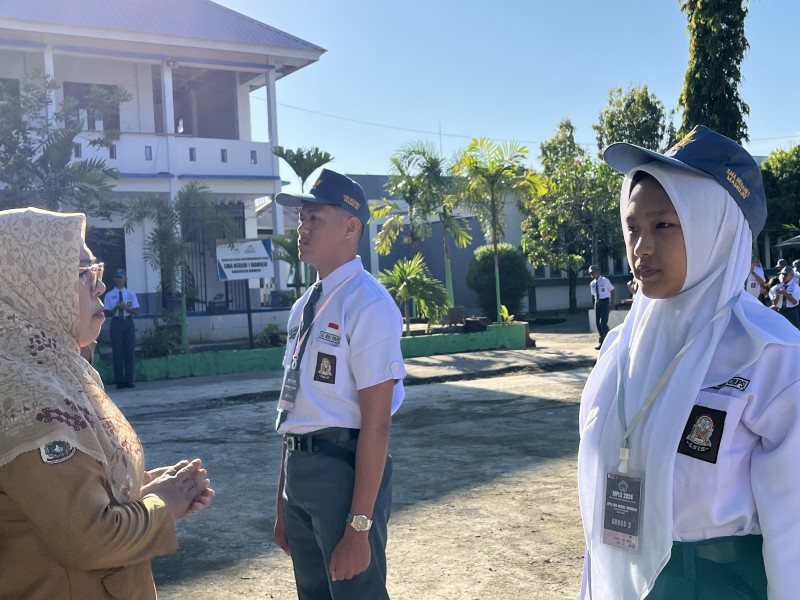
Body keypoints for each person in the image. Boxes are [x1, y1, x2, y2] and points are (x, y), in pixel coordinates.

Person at [578, 125, 800, 599]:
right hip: (626, 578)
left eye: (663, 225)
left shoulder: (769, 354)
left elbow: (794, 520)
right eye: (633, 227)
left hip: (721, 583)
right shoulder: (621, 349)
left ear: (713, 227)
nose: (641, 247)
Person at [0, 207, 214, 599]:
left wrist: (145, 486)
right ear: (32, 284)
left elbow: (64, 497)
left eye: (96, 273)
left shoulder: (59, 371)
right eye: (83, 274)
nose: (98, 287)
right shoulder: (25, 395)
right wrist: (161, 504)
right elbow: (87, 537)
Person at [272, 169, 406, 600]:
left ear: (351, 227)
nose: (301, 227)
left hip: (343, 472)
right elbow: (294, 404)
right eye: (300, 218)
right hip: (301, 473)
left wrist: (359, 527)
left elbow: (378, 425)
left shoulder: (368, 304)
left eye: (315, 218)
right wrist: (283, 499)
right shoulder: (303, 307)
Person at [103, 267, 140, 389]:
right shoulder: (109, 295)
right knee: (117, 352)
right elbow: (107, 313)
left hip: (128, 323)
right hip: (116, 323)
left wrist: (125, 308)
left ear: (125, 279)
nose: (119, 280)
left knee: (129, 351)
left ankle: (129, 380)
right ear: (114, 279)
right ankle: (119, 380)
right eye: (117, 277)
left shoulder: (130, 294)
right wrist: (116, 308)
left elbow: (136, 311)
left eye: (121, 277)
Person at [589, 265, 615, 350]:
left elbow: (612, 290)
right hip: (598, 302)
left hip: (605, 302)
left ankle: (610, 340)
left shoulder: (604, 281)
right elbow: (593, 295)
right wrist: (595, 303)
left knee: (602, 323)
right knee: (597, 323)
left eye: (594, 272)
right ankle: (602, 341)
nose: (592, 275)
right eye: (591, 273)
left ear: (598, 272)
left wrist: (611, 303)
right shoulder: (592, 284)